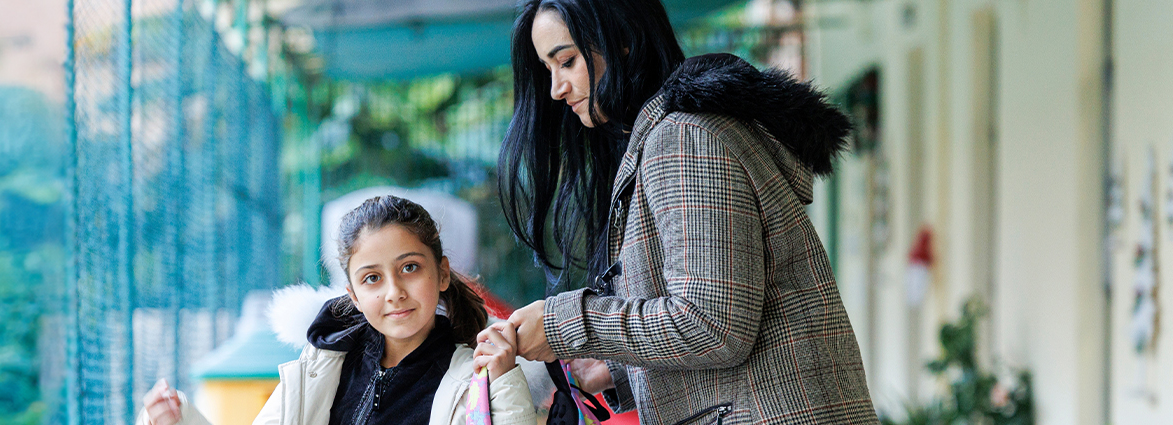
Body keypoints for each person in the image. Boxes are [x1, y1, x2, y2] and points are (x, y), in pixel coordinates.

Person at [497, 0, 879, 423]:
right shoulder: (674, 136)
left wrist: (565, 322)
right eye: (548, 69)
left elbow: (713, 324)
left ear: (622, 41)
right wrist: (613, 365)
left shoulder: (681, 140)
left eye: (566, 61)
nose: (556, 88)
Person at [139, 195, 538, 425]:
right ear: (353, 294)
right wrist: (179, 421)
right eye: (372, 279)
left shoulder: (478, 374)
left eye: (410, 268)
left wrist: (503, 380)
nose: (394, 292)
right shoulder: (322, 364)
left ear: (443, 273)